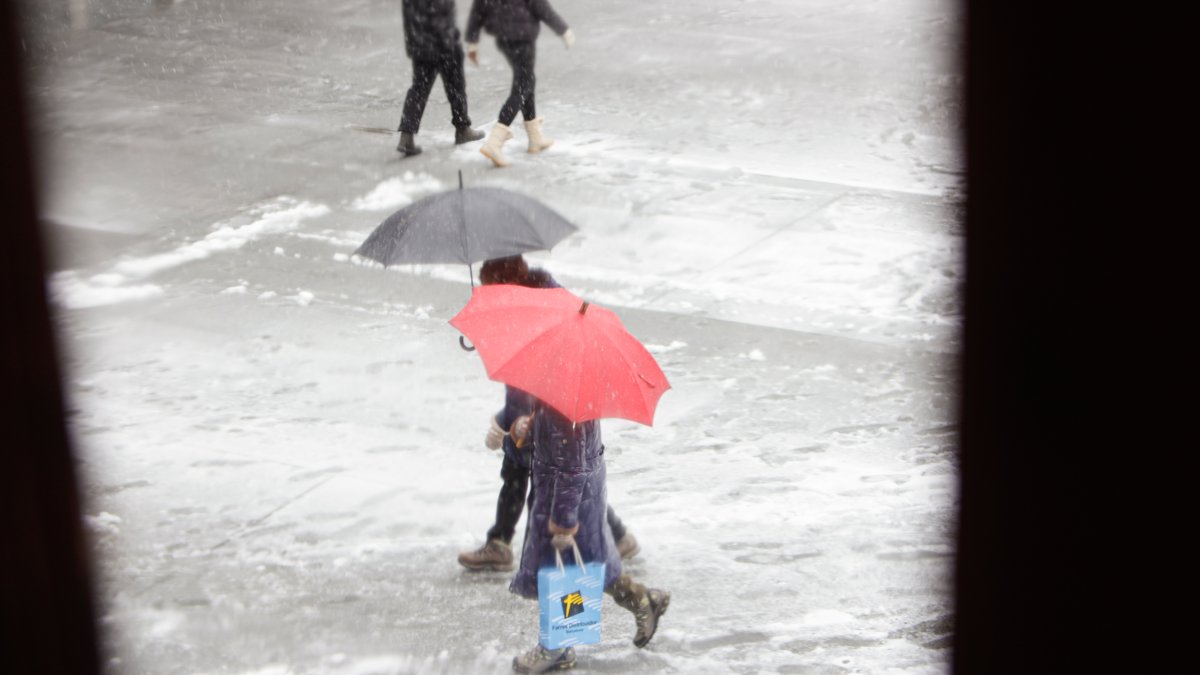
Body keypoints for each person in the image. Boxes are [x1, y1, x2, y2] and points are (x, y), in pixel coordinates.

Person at [458, 256, 641, 572]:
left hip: (548, 426)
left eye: (492, 292)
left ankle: (508, 545)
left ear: (506, 285)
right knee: (560, 484)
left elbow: (524, 393)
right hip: (548, 423)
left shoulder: (534, 319)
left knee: (551, 483)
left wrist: (504, 426)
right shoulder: (538, 304)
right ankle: (615, 536)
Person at [506, 399, 670, 673]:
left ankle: (555, 647)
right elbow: (554, 443)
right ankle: (644, 601)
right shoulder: (558, 398)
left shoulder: (568, 408)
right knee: (592, 566)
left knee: (560, 574)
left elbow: (573, 469)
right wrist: (524, 428)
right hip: (564, 498)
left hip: (568, 505)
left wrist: (563, 524)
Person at [464, 0, 575, 167]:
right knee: (524, 84)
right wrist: (563, 29)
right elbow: (540, 6)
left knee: (526, 80)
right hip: (522, 36)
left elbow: (478, 9)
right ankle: (495, 141)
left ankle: (535, 137)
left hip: (504, 37)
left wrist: (473, 42)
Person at [396, 0, 485, 156]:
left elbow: (410, 14)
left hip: (420, 43)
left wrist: (415, 43)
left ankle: (406, 135)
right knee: (456, 86)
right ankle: (462, 129)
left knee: (419, 88)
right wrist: (448, 39)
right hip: (443, 43)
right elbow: (440, 12)